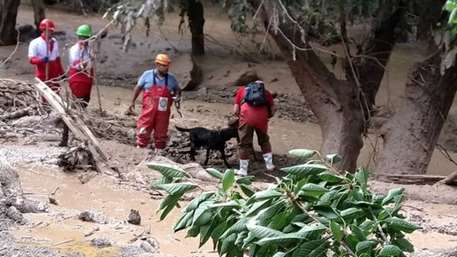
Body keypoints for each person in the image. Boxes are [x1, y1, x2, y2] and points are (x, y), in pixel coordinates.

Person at [128, 53, 181, 154]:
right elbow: (138, 88)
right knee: (144, 126)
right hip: (148, 110)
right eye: (163, 65)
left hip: (163, 112)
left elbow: (178, 90)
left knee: (162, 129)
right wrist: (132, 102)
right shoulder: (147, 75)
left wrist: (177, 97)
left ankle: (159, 150)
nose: (166, 68)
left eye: (167, 65)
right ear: (157, 65)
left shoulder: (171, 79)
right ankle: (140, 148)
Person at [233, 80, 275, 176]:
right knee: (264, 140)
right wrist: (267, 117)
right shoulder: (266, 93)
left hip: (246, 116)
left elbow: (235, 110)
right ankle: (269, 165)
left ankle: (243, 171)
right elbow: (273, 109)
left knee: (244, 144)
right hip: (262, 117)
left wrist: (241, 117)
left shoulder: (242, 90)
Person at [28, 18, 64, 91]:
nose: (51, 33)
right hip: (43, 73)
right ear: (43, 30)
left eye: (51, 31)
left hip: (54, 74)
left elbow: (57, 58)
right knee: (44, 95)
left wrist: (61, 73)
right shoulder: (35, 43)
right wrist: (41, 60)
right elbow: (31, 60)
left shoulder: (54, 41)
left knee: (55, 94)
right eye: (49, 31)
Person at [68, 24, 94, 108]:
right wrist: (85, 62)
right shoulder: (74, 50)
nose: (85, 40)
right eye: (83, 38)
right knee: (78, 100)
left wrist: (92, 58)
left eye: (86, 38)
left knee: (86, 100)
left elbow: (91, 63)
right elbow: (76, 65)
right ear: (79, 37)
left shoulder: (89, 49)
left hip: (87, 78)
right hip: (77, 79)